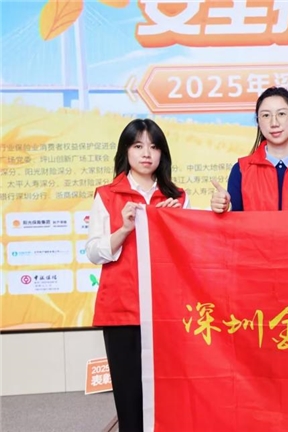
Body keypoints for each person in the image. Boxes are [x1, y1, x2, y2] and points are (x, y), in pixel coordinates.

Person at [85, 118, 189, 432]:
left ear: (162, 153)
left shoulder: (178, 198)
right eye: (138, 146)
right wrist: (124, 229)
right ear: (126, 151)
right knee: (129, 398)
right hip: (121, 309)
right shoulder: (107, 195)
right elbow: (94, 252)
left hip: (166, 311)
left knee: (169, 396)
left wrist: (177, 224)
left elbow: (192, 254)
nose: (147, 154)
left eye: (154, 147)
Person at [211, 86, 288, 212]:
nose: (274, 123)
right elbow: (235, 220)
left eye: (281, 114)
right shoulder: (241, 170)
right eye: (266, 115)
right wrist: (225, 207)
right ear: (258, 122)